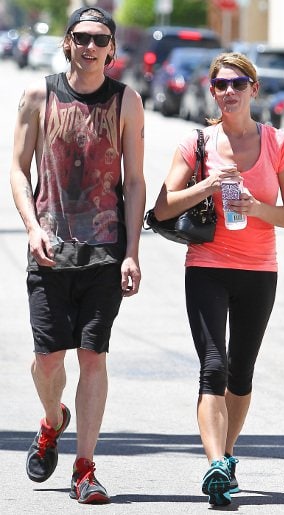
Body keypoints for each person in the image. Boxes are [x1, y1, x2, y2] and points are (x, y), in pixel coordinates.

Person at [152, 52, 284, 507]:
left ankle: (228, 456)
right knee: (213, 366)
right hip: (208, 265)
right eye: (221, 85)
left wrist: (256, 208)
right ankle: (215, 461)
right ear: (212, 91)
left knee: (241, 373)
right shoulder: (195, 144)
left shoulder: (280, 144)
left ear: (254, 90)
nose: (229, 92)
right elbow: (161, 208)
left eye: (238, 83)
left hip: (259, 270)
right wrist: (208, 185)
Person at [10, 6, 145, 505]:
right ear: (68, 43)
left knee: (93, 357)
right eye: (82, 37)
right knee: (48, 361)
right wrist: (31, 227)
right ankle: (51, 421)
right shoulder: (36, 95)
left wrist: (132, 252)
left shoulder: (127, 101)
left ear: (111, 49)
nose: (90, 46)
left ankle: (85, 468)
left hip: (104, 252)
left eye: (100, 39)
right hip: (50, 247)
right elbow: (18, 170)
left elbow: (134, 181)